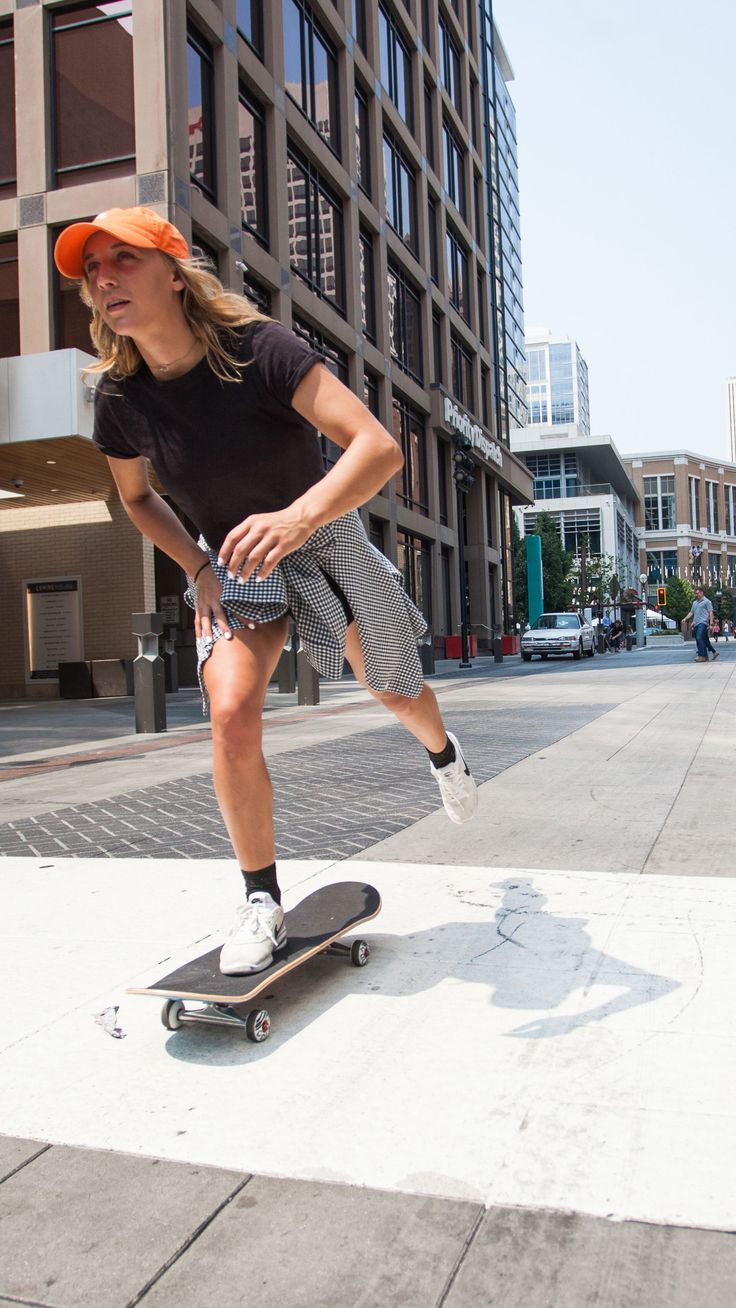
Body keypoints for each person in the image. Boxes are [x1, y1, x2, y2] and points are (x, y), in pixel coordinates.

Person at [53, 207, 478, 976]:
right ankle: (261, 901)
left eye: (123, 258)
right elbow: (137, 500)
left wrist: (298, 516)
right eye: (92, 270)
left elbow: (377, 450)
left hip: (321, 535)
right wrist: (198, 565)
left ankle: (446, 756)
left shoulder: (259, 351)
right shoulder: (121, 398)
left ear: (174, 273)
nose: (104, 277)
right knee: (230, 712)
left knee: (396, 690)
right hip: (237, 566)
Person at [683, 586, 716, 661]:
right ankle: (710, 654)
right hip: (696, 624)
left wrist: (711, 624)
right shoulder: (694, 603)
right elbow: (691, 612)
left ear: (702, 592)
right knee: (702, 640)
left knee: (699, 638)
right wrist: (685, 618)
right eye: (695, 593)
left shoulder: (707, 601)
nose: (696, 595)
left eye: (697, 593)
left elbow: (711, 613)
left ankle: (702, 655)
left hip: (703, 623)